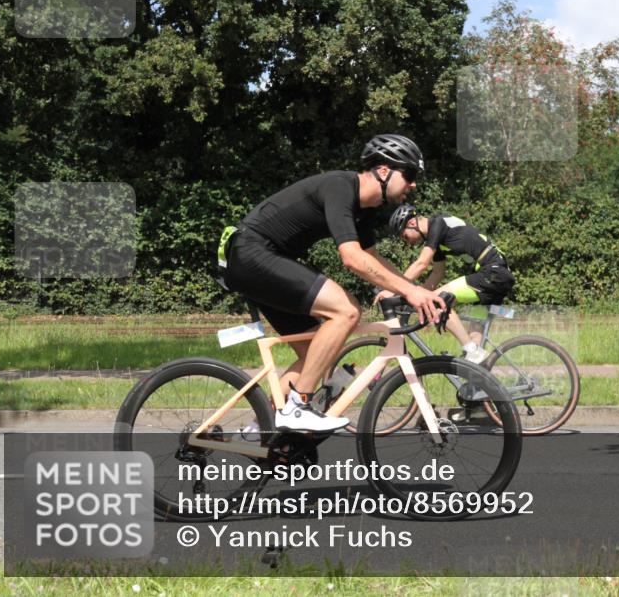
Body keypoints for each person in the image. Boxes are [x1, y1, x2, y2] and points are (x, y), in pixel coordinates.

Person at [219, 135, 447, 434]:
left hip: (260, 260)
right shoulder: (341, 187)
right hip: (252, 252)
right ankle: (297, 407)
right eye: (410, 175)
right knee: (347, 311)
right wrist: (410, 290)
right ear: (383, 171)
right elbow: (351, 258)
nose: (414, 184)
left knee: (319, 353)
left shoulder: (365, 209)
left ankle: (258, 434)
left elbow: (371, 258)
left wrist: (415, 290)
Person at [384, 204, 514, 364]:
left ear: (411, 223)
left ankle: (473, 352)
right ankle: (477, 379)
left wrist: (393, 288)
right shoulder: (436, 240)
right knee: (474, 346)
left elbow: (421, 263)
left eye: (404, 236)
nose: (407, 242)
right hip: (494, 274)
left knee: (436, 301)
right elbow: (437, 274)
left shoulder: (438, 224)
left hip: (493, 273)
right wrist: (413, 295)